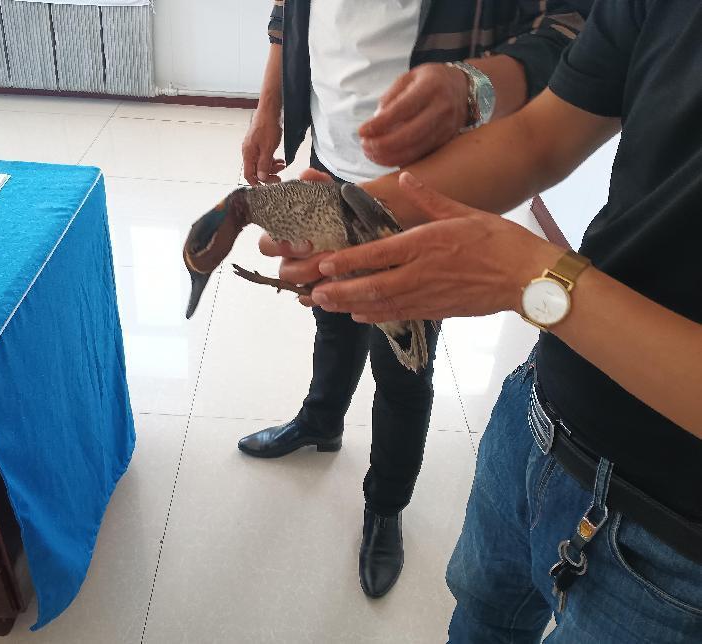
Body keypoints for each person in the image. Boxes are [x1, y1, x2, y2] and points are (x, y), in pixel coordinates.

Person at [270, 0, 702, 640]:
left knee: (402, 376)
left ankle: (385, 505)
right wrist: (347, 211)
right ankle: (321, 420)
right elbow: (539, 138)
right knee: (479, 617)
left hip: (676, 544)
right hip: (542, 418)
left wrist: (528, 277)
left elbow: (557, 28)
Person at [239, 0, 590, 598]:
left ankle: (386, 504)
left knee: (405, 364)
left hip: (430, 177)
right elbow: (287, 10)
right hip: (328, 160)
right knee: (331, 312)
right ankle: (321, 422)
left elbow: (570, 25)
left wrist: (474, 84)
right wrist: (269, 105)